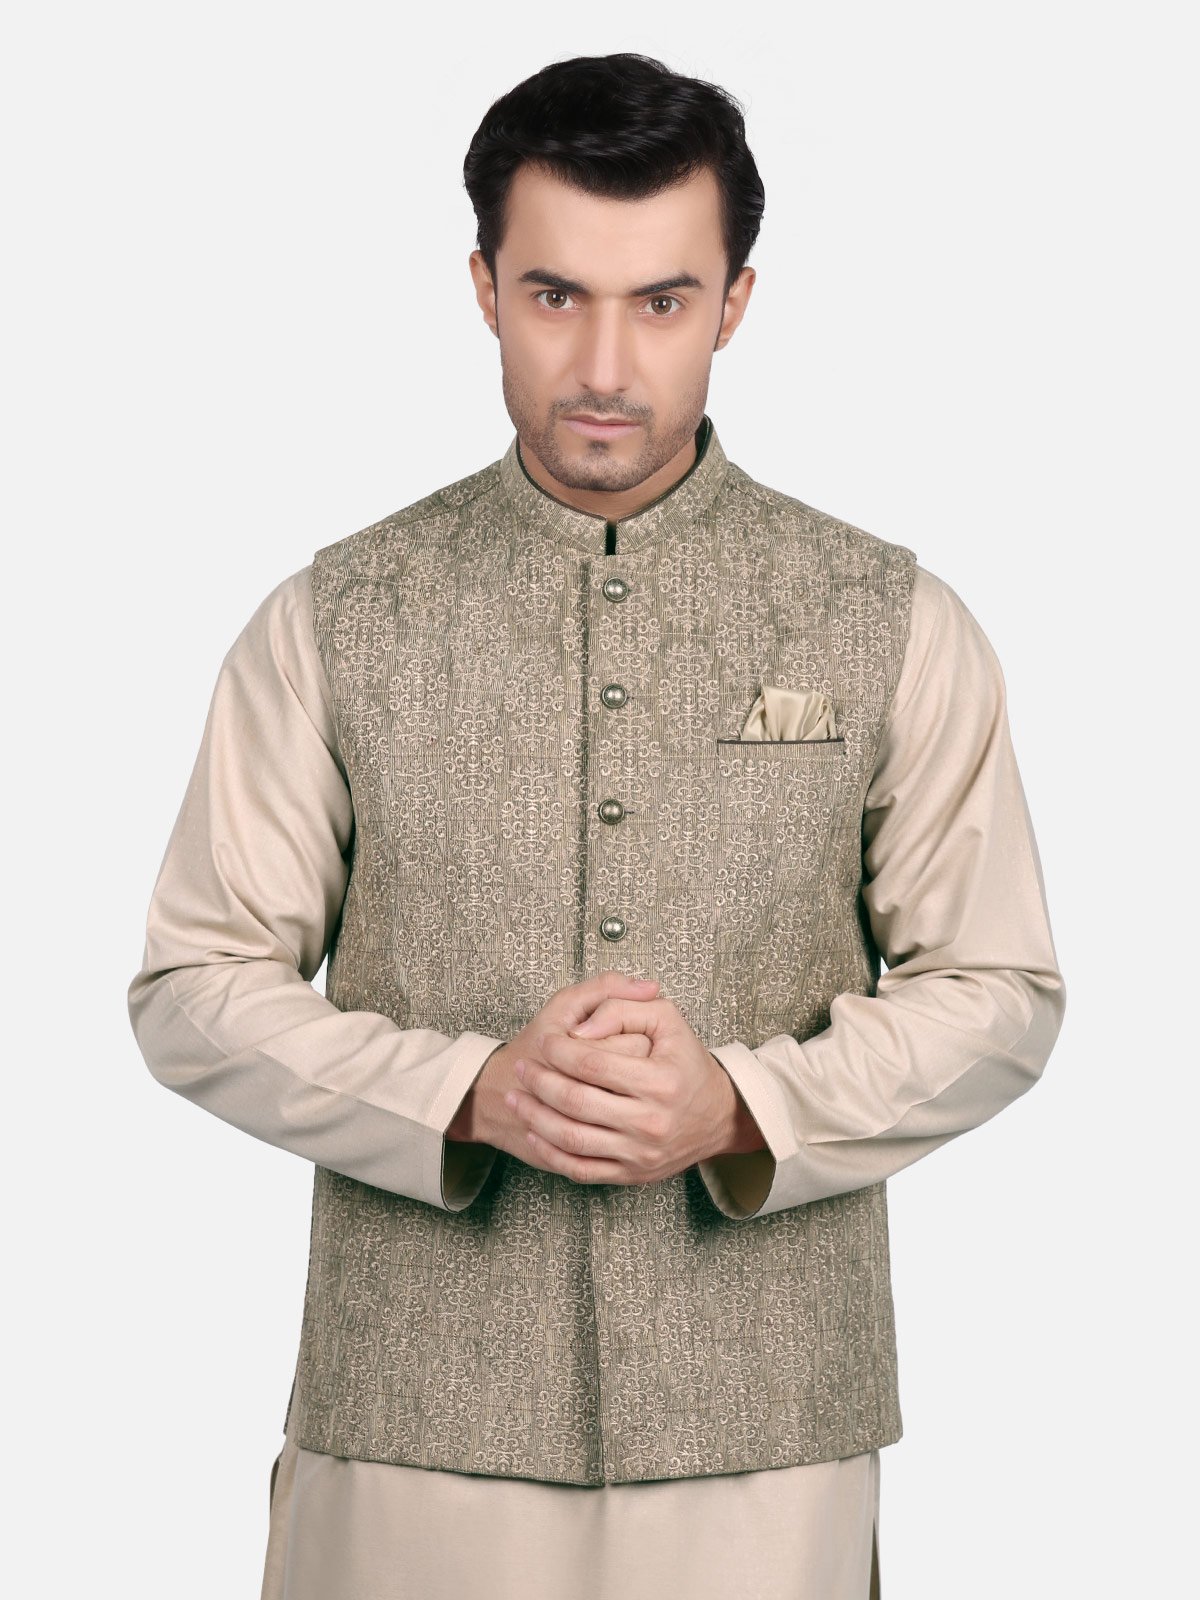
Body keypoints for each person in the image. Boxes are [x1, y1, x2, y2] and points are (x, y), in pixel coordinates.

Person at [127, 52, 1067, 1600]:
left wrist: (747, 1107)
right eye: (557, 296)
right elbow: (195, 985)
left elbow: (1000, 990)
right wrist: (465, 1092)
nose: (607, 366)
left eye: (664, 300)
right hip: (411, 1424)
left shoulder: (889, 619)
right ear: (485, 289)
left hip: (768, 1432)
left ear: (736, 302)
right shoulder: (336, 619)